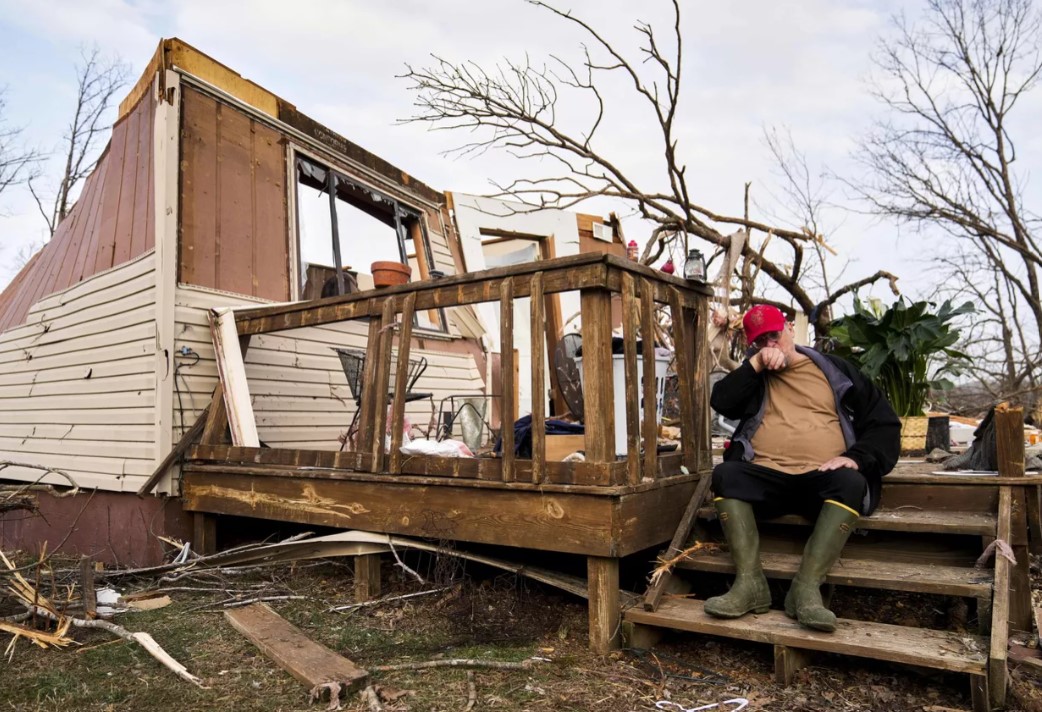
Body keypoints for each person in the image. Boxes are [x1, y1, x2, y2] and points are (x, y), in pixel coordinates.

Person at [706, 304, 900, 632]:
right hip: (768, 478)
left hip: (820, 479)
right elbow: (721, 401)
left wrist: (857, 457)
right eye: (760, 342)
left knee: (851, 483)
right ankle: (750, 585)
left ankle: (806, 589)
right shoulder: (755, 375)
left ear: (790, 330)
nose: (770, 345)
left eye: (775, 336)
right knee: (726, 475)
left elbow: (884, 423)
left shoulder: (837, 372)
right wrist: (754, 365)